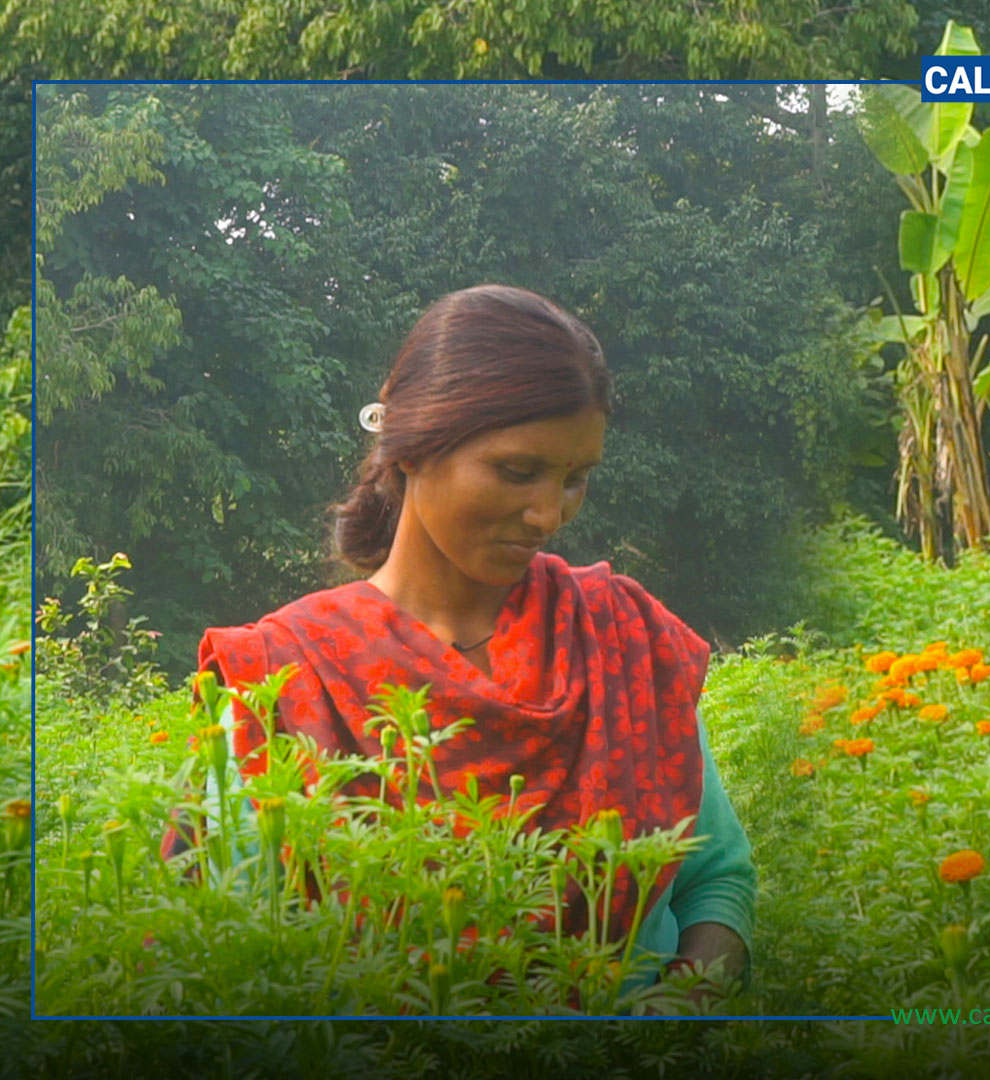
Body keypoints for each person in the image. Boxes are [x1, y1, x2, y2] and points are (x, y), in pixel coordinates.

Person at [190, 284, 754, 1005]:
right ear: (414, 444)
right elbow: (236, 953)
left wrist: (682, 1008)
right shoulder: (283, 675)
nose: (549, 513)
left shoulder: (618, 639)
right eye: (518, 471)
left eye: (576, 479)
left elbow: (717, 880)